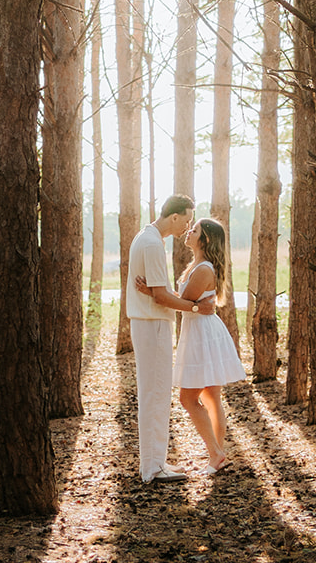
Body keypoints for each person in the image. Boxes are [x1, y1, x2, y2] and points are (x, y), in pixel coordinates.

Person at [137, 215, 246, 474]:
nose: (189, 231)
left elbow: (181, 302)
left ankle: (216, 453)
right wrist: (179, 300)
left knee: (189, 398)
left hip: (202, 334)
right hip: (200, 329)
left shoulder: (204, 269)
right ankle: (217, 456)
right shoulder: (197, 265)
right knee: (210, 396)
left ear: (204, 238)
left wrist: (153, 293)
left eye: (194, 229)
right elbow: (189, 302)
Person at [125, 193, 196, 482]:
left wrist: (158, 292)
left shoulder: (147, 237)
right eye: (186, 220)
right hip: (152, 324)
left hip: (147, 322)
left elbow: (156, 290)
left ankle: (154, 461)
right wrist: (195, 307)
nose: (187, 228)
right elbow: (161, 296)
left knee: (154, 392)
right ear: (174, 216)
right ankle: (153, 468)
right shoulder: (153, 243)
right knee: (155, 394)